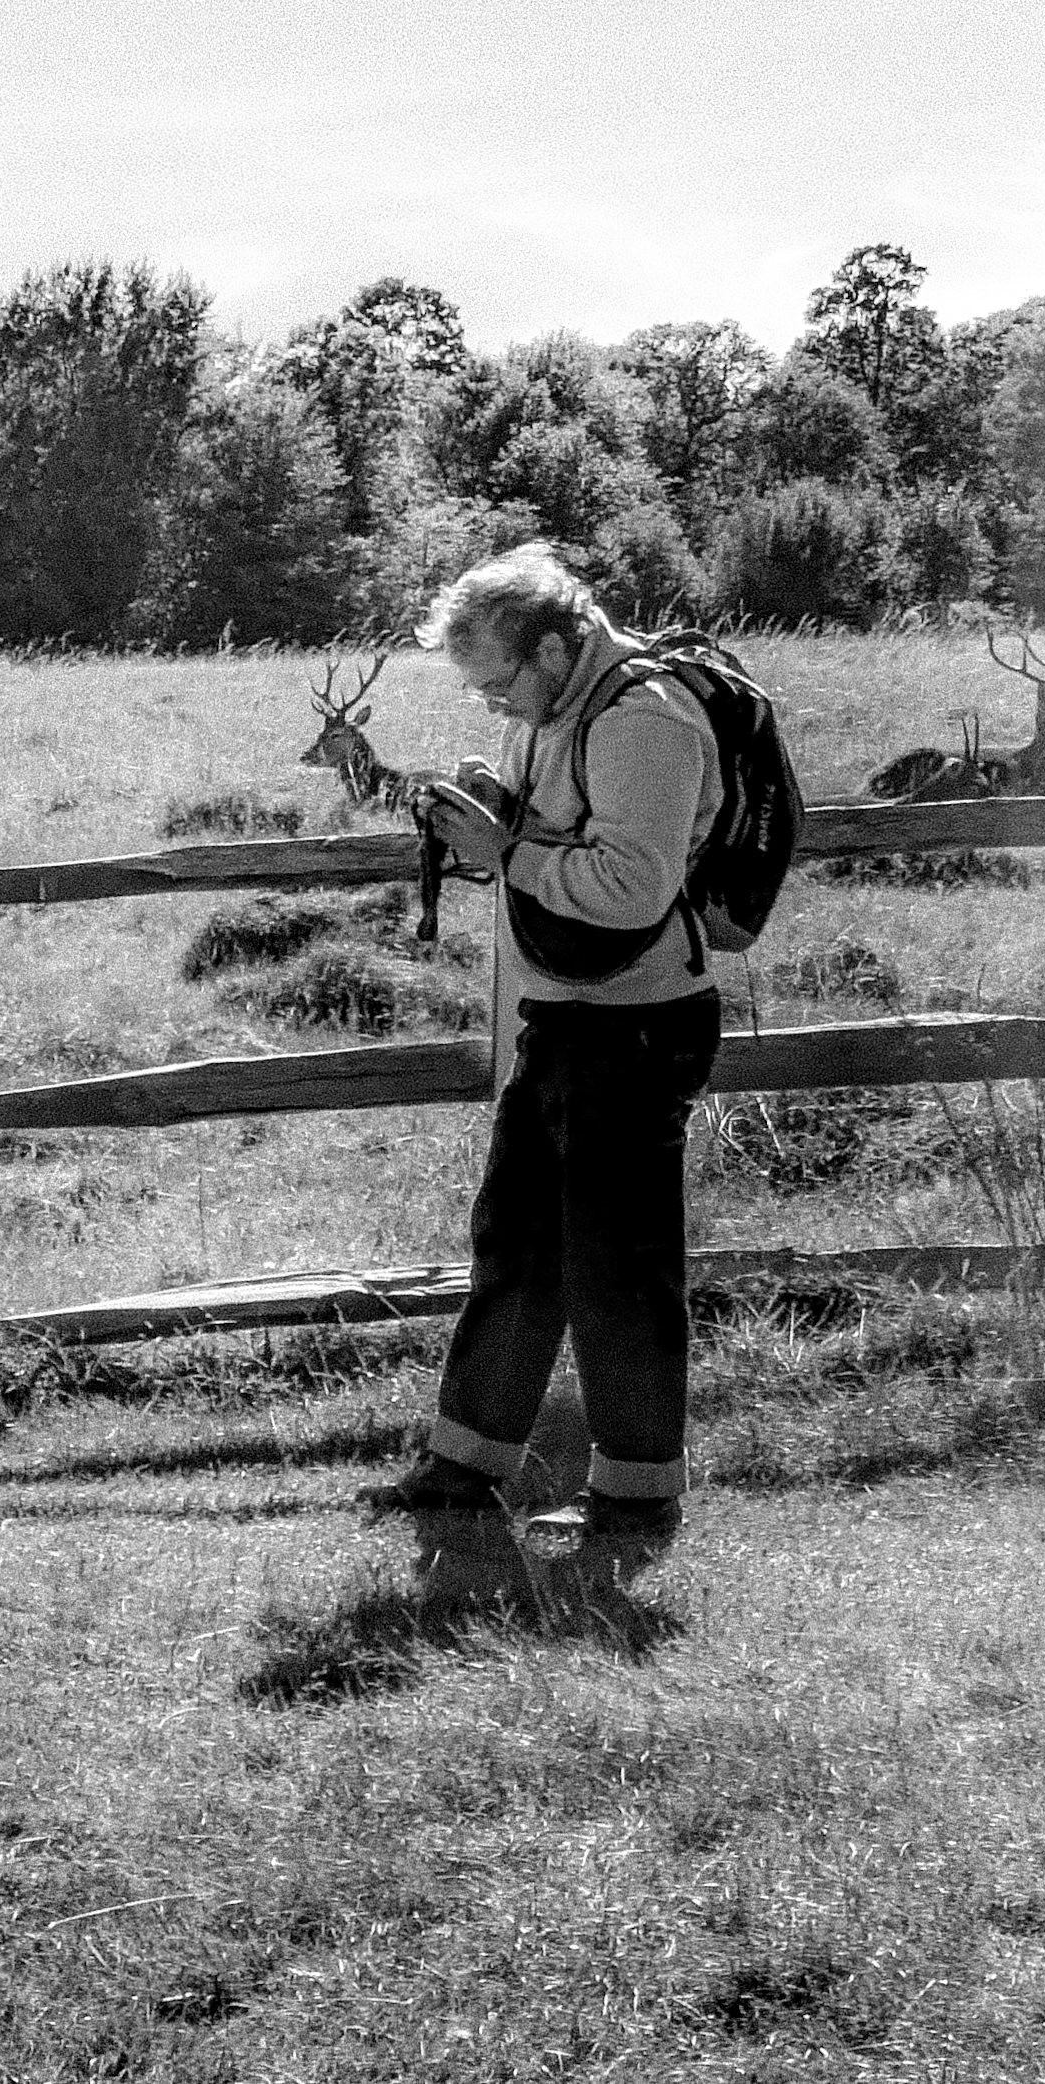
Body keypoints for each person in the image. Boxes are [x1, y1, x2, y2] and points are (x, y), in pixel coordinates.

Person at [362, 542, 724, 1541]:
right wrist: (498, 805)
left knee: (617, 1265)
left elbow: (629, 889)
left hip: (639, 1023)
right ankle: (461, 1470)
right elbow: (561, 844)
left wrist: (504, 849)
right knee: (516, 1242)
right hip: (568, 1013)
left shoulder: (641, 723)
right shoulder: (561, 711)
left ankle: (636, 1497)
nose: (498, 709)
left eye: (499, 688)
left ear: (557, 647)